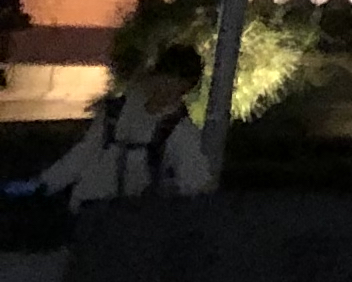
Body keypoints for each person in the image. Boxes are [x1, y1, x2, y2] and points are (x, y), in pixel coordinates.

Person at [29, 47, 214, 206]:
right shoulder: (115, 112)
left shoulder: (179, 129)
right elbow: (83, 154)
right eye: (167, 80)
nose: (168, 90)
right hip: (90, 209)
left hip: (134, 224)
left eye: (179, 87)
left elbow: (195, 180)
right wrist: (44, 185)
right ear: (157, 75)